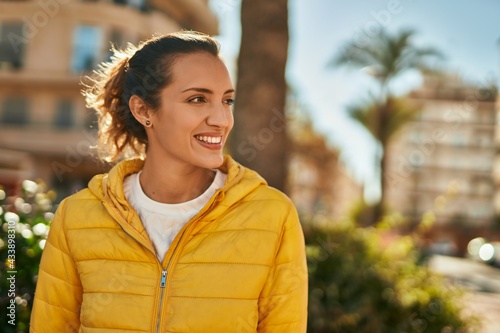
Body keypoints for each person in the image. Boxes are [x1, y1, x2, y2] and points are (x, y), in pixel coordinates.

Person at [30, 31, 308, 333]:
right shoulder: (77, 217)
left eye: (227, 100)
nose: (221, 119)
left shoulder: (272, 216)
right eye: (198, 99)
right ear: (143, 110)